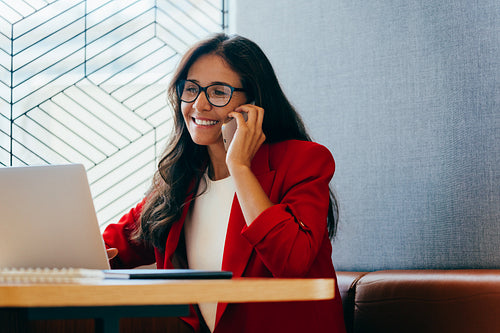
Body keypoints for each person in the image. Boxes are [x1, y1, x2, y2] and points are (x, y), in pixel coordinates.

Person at [103, 33, 346, 333]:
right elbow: (113, 246)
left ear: (253, 103)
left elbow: (291, 260)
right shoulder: (182, 179)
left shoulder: (302, 162)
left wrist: (240, 167)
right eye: (191, 89)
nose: (199, 104)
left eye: (218, 92)